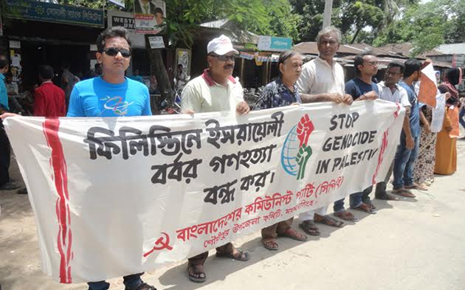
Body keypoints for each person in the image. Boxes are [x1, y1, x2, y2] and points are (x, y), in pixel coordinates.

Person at [67, 27, 156, 290]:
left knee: (131, 229)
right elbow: (67, 129)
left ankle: (133, 279)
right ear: (99, 56)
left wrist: (185, 120)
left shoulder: (140, 91)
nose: (119, 55)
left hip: (132, 177)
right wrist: (26, 124)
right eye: (112, 51)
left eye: (124, 52)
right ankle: (96, 284)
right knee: (96, 231)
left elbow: (152, 130)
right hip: (95, 179)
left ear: (129, 58)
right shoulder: (82, 90)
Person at [181, 34, 250, 283]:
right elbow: (186, 127)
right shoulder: (195, 87)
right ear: (210, 60)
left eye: (232, 57)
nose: (229, 61)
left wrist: (244, 107)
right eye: (223, 57)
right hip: (205, 164)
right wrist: (186, 118)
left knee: (228, 205)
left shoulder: (235, 84)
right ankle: (197, 258)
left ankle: (224, 246)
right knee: (202, 210)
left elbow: (240, 113)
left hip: (231, 160)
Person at [296, 26, 354, 233]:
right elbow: (298, 96)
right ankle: (306, 217)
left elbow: (341, 94)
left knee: (329, 171)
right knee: (311, 172)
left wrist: (346, 98)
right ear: (318, 45)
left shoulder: (340, 68)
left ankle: (322, 212)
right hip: (314, 130)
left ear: (338, 46)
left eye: (332, 42)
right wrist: (324, 97)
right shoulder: (309, 68)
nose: (327, 46)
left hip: (336, 131)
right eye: (324, 42)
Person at [254, 51, 308, 251]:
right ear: (282, 67)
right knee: (274, 192)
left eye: (301, 65)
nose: (299, 69)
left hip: (294, 149)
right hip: (276, 152)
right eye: (294, 65)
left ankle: (285, 226)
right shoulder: (271, 89)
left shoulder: (296, 89)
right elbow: (257, 119)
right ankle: (268, 233)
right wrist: (287, 112)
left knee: (290, 190)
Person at [344, 52, 380, 214]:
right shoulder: (351, 85)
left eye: (376, 63)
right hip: (356, 136)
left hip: (371, 134)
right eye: (371, 63)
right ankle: (354, 201)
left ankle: (363, 198)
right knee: (354, 170)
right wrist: (365, 97)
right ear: (360, 67)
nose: (375, 66)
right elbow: (346, 110)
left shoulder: (376, 86)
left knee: (368, 168)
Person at [375, 62, 410, 200]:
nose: (390, 75)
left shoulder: (401, 91)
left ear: (400, 76)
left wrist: (408, 135)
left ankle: (381, 191)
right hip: (376, 133)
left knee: (388, 162)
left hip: (392, 133)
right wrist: (396, 109)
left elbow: (406, 110)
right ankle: (363, 196)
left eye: (394, 73)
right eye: (388, 72)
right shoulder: (377, 88)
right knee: (370, 163)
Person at [392, 59, 422, 198]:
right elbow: (403, 114)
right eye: (420, 72)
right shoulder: (403, 88)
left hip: (414, 129)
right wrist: (408, 134)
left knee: (411, 158)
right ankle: (398, 185)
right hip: (407, 130)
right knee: (402, 158)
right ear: (415, 73)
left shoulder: (411, 87)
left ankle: (408, 181)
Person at [435, 68, 461, 175]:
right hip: (444, 120)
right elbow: (440, 105)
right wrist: (447, 123)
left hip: (453, 119)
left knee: (450, 146)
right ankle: (441, 169)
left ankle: (449, 168)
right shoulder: (443, 87)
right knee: (442, 146)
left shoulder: (452, 87)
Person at [0, 56, 20, 191]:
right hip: (1, 116)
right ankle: (3, 180)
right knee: (3, 149)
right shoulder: (0, 80)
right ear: (6, 68)